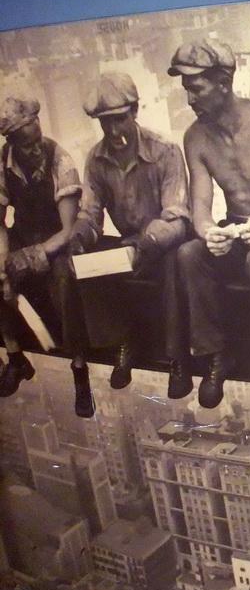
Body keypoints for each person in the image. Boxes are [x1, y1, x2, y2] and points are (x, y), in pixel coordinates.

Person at [169, 39, 250, 414]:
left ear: (223, 82)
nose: (190, 98)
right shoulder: (195, 137)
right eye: (186, 89)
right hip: (238, 229)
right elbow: (200, 207)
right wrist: (211, 232)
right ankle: (215, 356)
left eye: (196, 88)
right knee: (189, 254)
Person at [68, 71, 191, 398]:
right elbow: (90, 213)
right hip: (127, 245)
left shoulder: (165, 150)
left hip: (163, 242)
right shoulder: (96, 159)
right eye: (105, 123)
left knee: (175, 262)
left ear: (134, 112)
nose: (113, 130)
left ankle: (177, 356)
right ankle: (123, 341)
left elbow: (177, 215)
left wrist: (148, 241)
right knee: (89, 262)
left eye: (119, 120)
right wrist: (80, 237)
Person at [0, 96, 94, 417]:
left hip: (55, 241)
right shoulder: (3, 161)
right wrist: (3, 261)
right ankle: (15, 356)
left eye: (35, 127)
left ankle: (79, 369)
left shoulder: (60, 160)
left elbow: (68, 229)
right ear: (12, 138)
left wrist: (33, 254)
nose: (33, 142)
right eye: (23, 136)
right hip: (22, 237)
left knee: (67, 281)